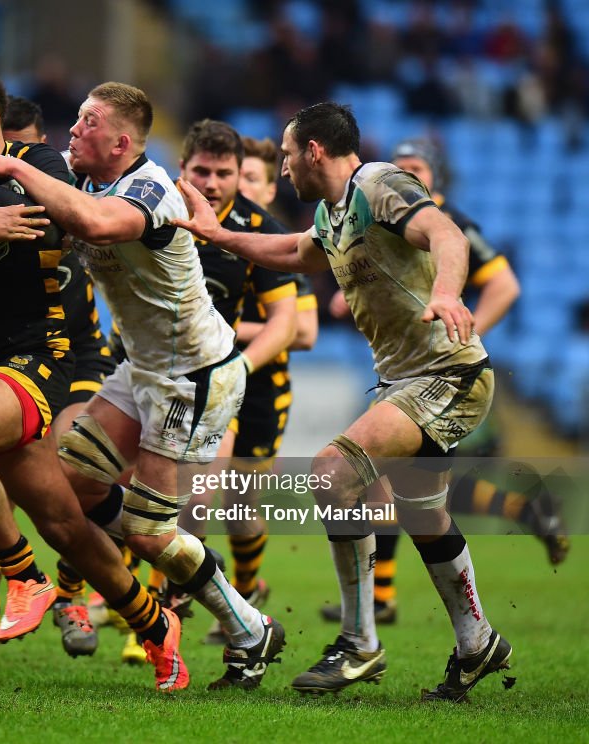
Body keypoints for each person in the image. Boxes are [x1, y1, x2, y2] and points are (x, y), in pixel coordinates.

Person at [0, 81, 286, 693]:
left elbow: (96, 227)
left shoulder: (151, 187)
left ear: (121, 142)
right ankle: (136, 569)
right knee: (73, 485)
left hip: (195, 376)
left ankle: (249, 626)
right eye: (75, 119)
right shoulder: (85, 184)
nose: (73, 129)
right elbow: (43, 214)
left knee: (149, 532)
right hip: (143, 370)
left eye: (87, 122)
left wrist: (4, 163)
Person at [173, 102, 512, 702]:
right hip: (407, 381)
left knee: (332, 472)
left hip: (448, 372)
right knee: (424, 518)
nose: (280, 168)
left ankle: (358, 644)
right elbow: (290, 253)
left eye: (284, 154)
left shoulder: (377, 184)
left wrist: (448, 293)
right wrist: (217, 233)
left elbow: (445, 233)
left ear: (315, 151)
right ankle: (477, 642)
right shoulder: (332, 215)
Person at [0, 65, 184, 691]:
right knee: (63, 523)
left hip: (39, 355)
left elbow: (54, 225)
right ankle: (156, 626)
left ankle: (22, 575)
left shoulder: (39, 161)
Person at [321, 137, 559, 627]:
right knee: (418, 495)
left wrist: (463, 327)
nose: (408, 175)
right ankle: (521, 515)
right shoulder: (376, 218)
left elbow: (505, 284)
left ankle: (376, 606)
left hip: (449, 375)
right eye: (401, 166)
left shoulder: (451, 222)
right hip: (411, 374)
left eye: (416, 168)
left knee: (384, 480)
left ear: (435, 178)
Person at [171, 123, 310, 649]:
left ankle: (239, 592)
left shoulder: (263, 231)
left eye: (226, 173)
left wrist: (239, 361)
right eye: (201, 171)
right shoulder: (154, 210)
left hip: (245, 380)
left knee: (235, 500)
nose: (211, 182)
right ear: (183, 168)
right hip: (167, 373)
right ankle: (160, 605)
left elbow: (298, 327)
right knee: (181, 495)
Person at [2, 94, 111, 659]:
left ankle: (71, 594)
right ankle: (11, 590)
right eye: (5, 150)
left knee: (76, 467)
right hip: (19, 357)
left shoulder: (73, 189)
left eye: (25, 147)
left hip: (81, 358)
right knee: (13, 489)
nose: (14, 158)